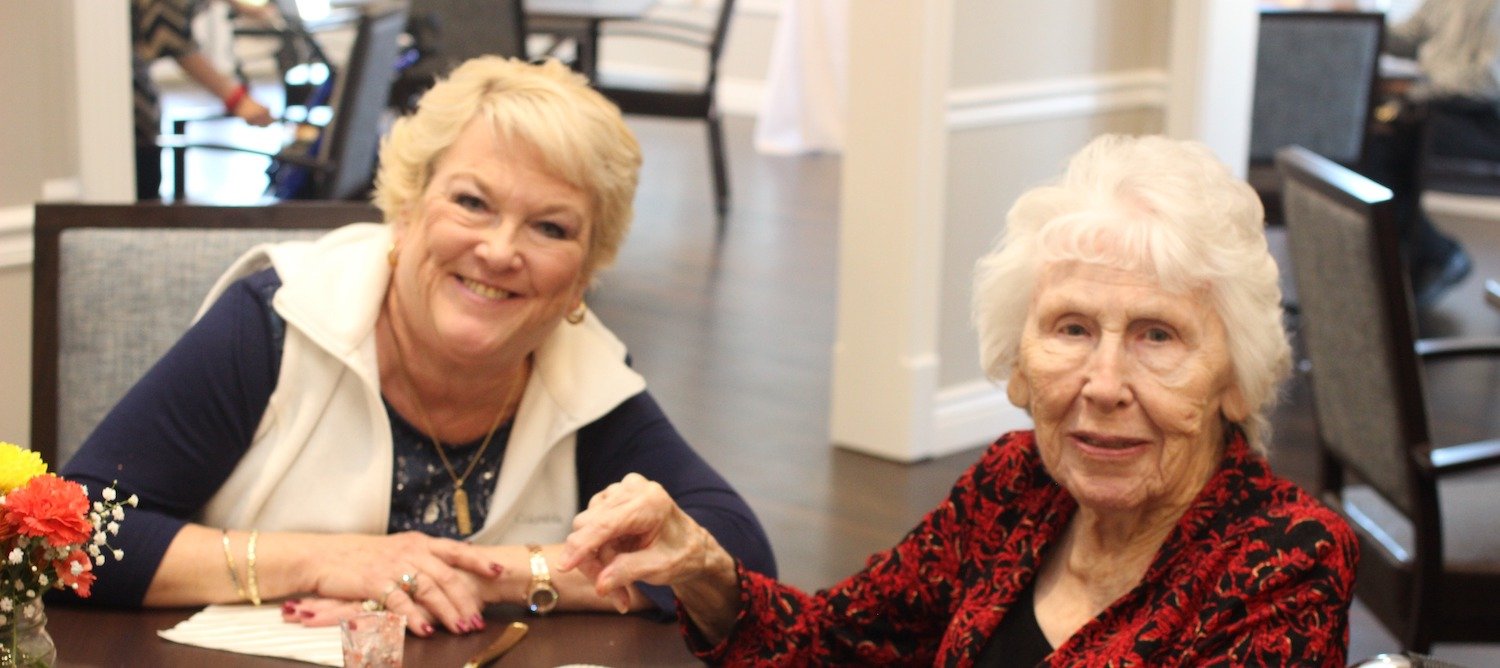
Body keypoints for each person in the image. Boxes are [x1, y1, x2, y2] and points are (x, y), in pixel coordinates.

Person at [561, 135, 1359, 666]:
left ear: (1234, 378)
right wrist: (705, 571)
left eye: (1159, 337)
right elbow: (839, 644)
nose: (1105, 384)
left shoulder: (1287, 560)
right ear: (1018, 364)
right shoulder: (1017, 485)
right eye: (1072, 329)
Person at [60, 56, 776, 637]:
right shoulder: (275, 318)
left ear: (584, 275)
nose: (498, 251)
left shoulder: (586, 379)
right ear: (406, 207)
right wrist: (326, 561)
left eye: (551, 229)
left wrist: (498, 573)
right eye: (472, 202)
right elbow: (76, 527)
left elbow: (732, 558)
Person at [1360, 0, 1494, 308]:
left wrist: (1423, 89)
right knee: (1374, 143)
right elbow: (1405, 38)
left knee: (1391, 141)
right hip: (1437, 107)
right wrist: (1362, 17)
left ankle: (1433, 256)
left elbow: (1491, 79)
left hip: (1481, 117)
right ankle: (1423, 257)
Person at [131, 0, 276, 201]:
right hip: (120, 81)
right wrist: (236, 99)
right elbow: (168, 35)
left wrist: (243, 7)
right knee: (141, 145)